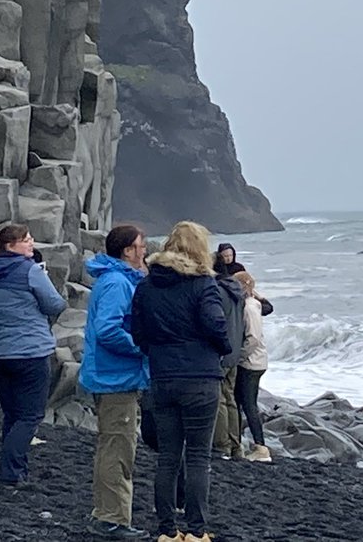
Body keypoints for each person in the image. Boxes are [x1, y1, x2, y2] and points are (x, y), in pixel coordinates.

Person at [131, 221, 229, 542]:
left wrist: (157, 351)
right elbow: (216, 325)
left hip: (163, 377)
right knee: (199, 455)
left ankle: (167, 531)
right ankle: (197, 531)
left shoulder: (147, 286)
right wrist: (223, 350)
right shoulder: (203, 284)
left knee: (168, 456)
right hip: (200, 377)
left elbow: (138, 333)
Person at [0, 224, 67, 485]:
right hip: (29, 352)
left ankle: (15, 470)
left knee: (13, 414)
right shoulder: (30, 271)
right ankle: (11, 471)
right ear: (10, 245)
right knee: (30, 416)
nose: (32, 243)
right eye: (26, 240)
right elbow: (55, 304)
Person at [80, 225, 151, 540]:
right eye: (141, 245)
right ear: (127, 250)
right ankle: (111, 519)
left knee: (113, 445)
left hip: (113, 375)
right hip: (115, 377)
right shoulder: (117, 283)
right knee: (118, 449)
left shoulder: (117, 280)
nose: (145, 250)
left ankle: (106, 514)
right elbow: (108, 329)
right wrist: (141, 347)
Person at [230, 271, 272, 462]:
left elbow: (253, 337)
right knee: (242, 402)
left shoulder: (249, 307)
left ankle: (260, 447)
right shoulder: (251, 305)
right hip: (255, 361)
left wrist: (239, 357)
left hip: (251, 363)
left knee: (248, 404)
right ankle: (240, 442)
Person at [210, 269, 246, 460]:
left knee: (221, 400)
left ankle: (222, 444)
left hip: (222, 353)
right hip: (235, 352)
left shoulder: (217, 292)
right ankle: (236, 445)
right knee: (231, 399)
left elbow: (216, 322)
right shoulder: (238, 293)